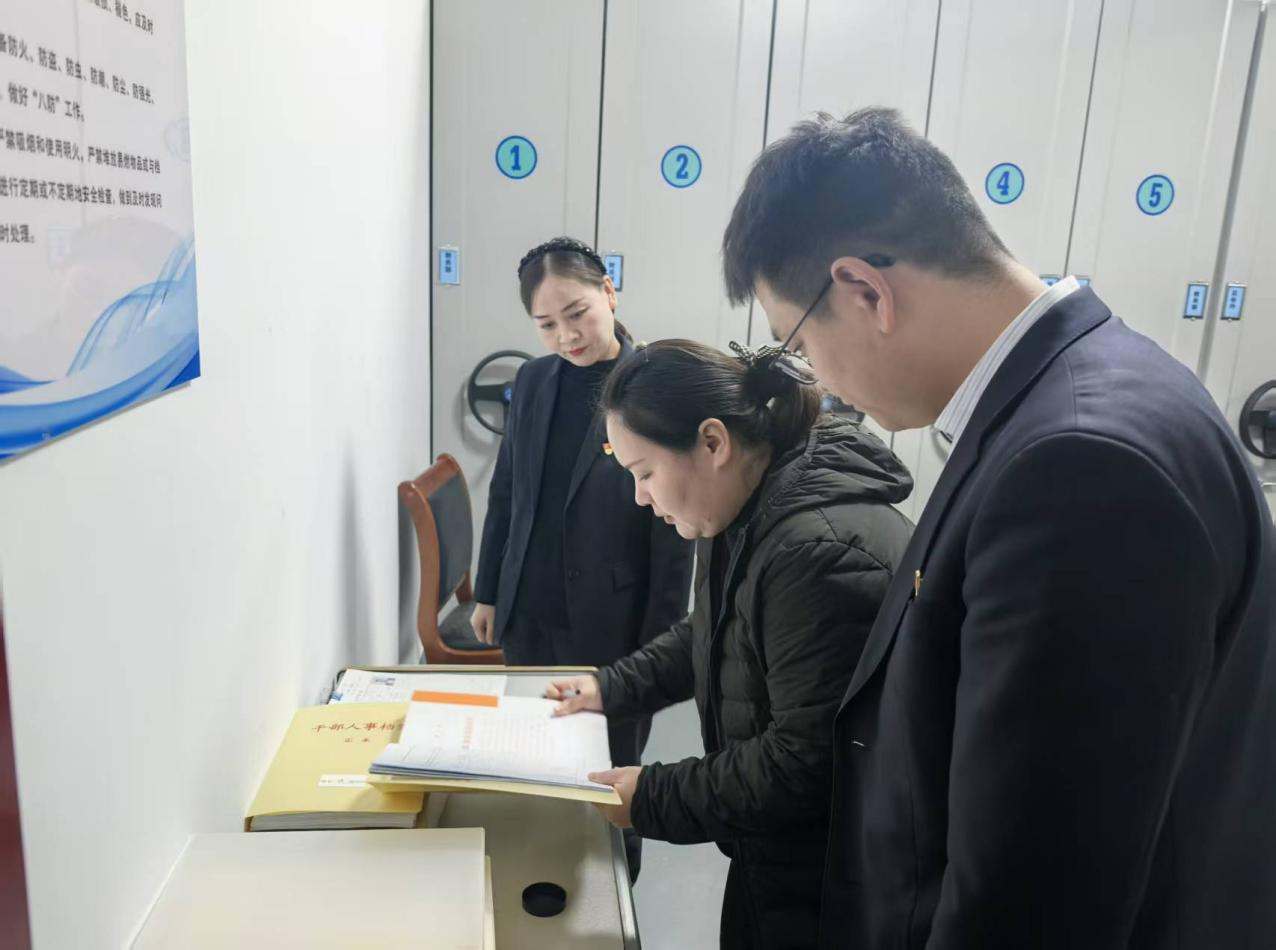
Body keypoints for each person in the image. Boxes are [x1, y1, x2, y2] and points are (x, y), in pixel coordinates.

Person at [721, 107, 1276, 948]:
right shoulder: (1082, 392)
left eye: (796, 343)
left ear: (865, 291)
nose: (816, 381)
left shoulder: (1080, 467)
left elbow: (1032, 898)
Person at [547, 339, 913, 948]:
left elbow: (804, 764)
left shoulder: (817, 553)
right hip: (775, 853)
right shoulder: (749, 505)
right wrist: (609, 689)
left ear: (713, 443)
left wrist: (651, 797)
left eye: (645, 473)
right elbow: (715, 627)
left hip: (832, 880)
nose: (641, 497)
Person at [470, 237, 694, 880]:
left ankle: (615, 890)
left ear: (609, 293)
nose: (566, 335)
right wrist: (490, 591)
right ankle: (542, 877)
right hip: (529, 610)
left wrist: (658, 646)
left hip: (612, 625)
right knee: (534, 753)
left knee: (610, 774)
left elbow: (674, 532)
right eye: (546, 324)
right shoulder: (533, 380)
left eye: (577, 313)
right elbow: (507, 489)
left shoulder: (652, 385)